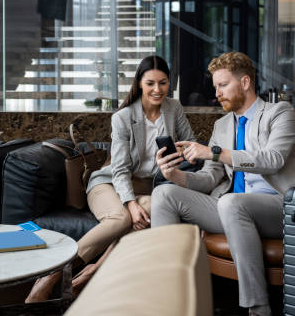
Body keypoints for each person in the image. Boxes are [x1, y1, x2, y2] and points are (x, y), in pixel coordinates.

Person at [26, 55, 195, 302]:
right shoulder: (123, 117)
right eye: (150, 83)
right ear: (139, 83)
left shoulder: (174, 109)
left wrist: (181, 152)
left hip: (148, 188)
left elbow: (192, 146)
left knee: (154, 211)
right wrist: (131, 203)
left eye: (163, 83)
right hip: (109, 183)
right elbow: (119, 169)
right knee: (121, 218)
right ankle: (51, 275)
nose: (157, 90)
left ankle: (87, 275)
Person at [152, 52, 295, 316]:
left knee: (232, 202)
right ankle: (168, 300)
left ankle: (258, 308)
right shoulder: (221, 125)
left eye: (223, 85)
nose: (217, 92)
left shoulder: (280, 113)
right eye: (215, 86)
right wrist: (174, 175)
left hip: (279, 208)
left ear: (245, 82)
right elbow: (210, 177)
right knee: (164, 193)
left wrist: (215, 152)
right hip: (233, 210)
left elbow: (273, 159)